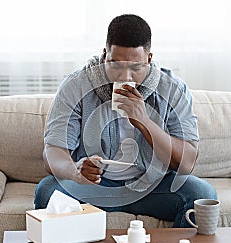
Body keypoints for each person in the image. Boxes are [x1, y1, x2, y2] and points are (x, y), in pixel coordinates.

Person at [34, 14, 217, 227]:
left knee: (201, 194)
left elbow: (187, 162)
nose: (125, 77)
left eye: (135, 67)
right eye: (116, 65)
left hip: (153, 186)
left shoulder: (173, 89)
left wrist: (144, 122)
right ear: (105, 56)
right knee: (47, 191)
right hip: (95, 185)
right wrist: (75, 169)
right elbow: (52, 153)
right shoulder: (77, 85)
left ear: (149, 59)